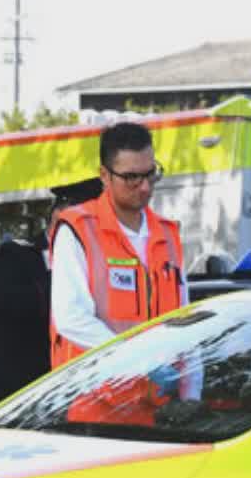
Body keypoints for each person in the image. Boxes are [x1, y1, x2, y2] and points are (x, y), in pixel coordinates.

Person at [47, 121, 188, 367]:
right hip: (94, 399)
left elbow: (185, 320)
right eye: (132, 177)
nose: (144, 186)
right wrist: (136, 360)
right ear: (104, 176)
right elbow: (71, 319)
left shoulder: (168, 234)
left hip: (158, 401)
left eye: (150, 174)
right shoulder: (78, 229)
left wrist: (190, 393)